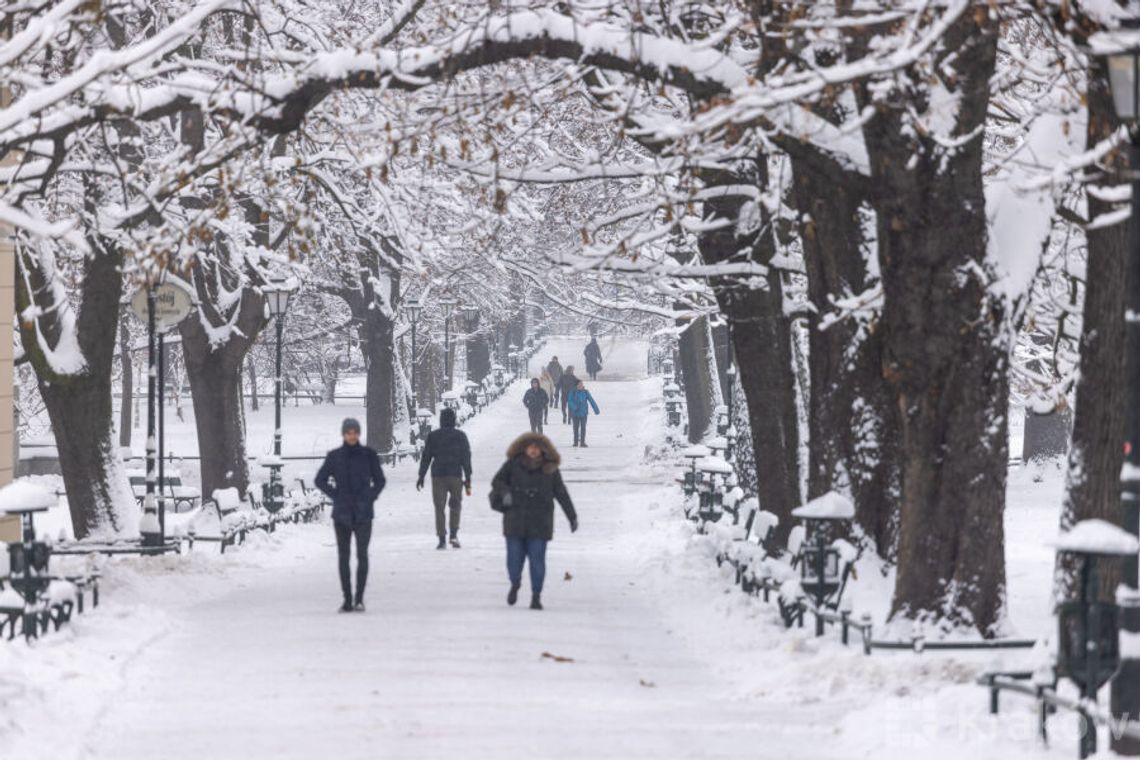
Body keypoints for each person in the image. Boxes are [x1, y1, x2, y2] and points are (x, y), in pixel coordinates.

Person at [490, 432, 578, 610]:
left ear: (543, 451)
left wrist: (572, 516)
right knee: (514, 561)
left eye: (537, 448)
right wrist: (506, 492)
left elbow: (561, 493)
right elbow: (497, 481)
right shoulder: (512, 465)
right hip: (515, 521)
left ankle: (536, 596)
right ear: (524, 449)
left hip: (540, 523)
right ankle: (515, 584)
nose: (534, 451)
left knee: (537, 561)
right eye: (531, 447)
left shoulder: (551, 470)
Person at [315, 418, 386, 613]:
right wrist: (336, 495)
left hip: (363, 513)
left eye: (355, 432)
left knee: (362, 555)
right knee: (343, 556)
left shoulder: (368, 455)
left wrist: (370, 497)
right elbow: (320, 479)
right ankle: (347, 598)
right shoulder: (335, 456)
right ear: (344, 434)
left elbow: (380, 480)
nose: (352, 435)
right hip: (342, 514)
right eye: (349, 432)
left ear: (359, 433)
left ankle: (359, 598)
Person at [416, 407, 472, 550]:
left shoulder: (433, 436)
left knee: (439, 507)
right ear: (454, 420)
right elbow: (466, 457)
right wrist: (468, 476)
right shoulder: (461, 436)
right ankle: (453, 534)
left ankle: (441, 538)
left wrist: (421, 475)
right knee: (455, 505)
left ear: (441, 421)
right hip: (455, 475)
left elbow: (426, 457)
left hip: (438, 475)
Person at [566, 380, 600, 447]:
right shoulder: (572, 392)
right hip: (575, 414)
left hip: (584, 413)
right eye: (579, 384)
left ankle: (582, 442)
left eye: (582, 384)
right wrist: (574, 407)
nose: (581, 385)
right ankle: (575, 442)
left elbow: (591, 400)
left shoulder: (585, 392)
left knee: (583, 428)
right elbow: (570, 401)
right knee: (575, 428)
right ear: (576, 385)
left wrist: (596, 409)